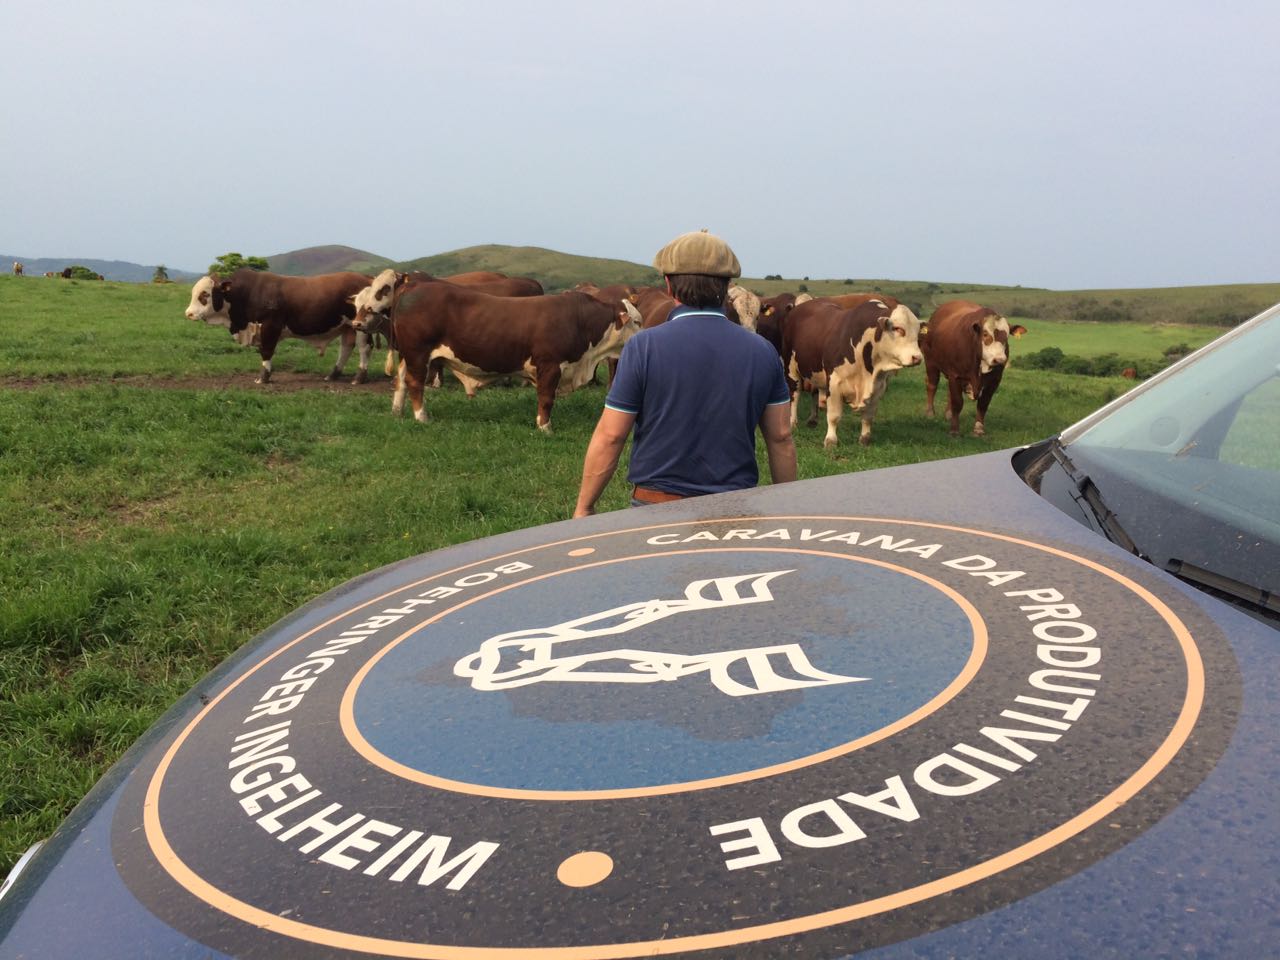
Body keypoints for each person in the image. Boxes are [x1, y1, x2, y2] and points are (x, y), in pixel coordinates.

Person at [573, 229, 797, 517]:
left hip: (655, 507)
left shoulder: (643, 347)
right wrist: (789, 511)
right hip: (734, 506)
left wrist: (584, 507)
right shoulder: (763, 351)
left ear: (668, 285)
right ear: (727, 285)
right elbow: (780, 437)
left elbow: (611, 435)